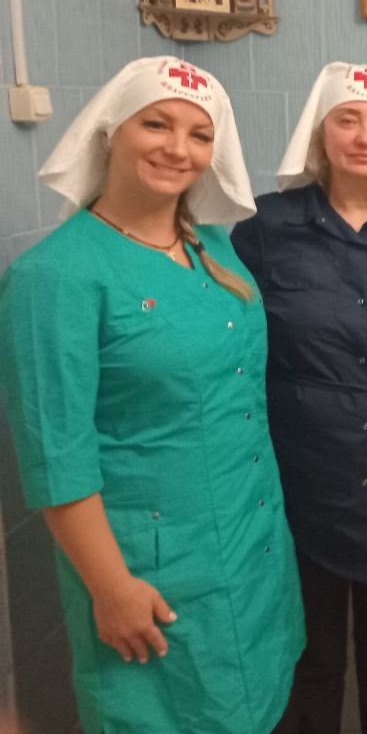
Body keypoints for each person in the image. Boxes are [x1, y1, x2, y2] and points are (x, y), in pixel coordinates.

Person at [0, 56, 304, 733]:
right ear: (111, 131)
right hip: (154, 574)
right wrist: (110, 588)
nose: (178, 148)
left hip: (251, 549)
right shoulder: (54, 278)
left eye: (200, 134)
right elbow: (57, 456)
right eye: (157, 124)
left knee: (259, 706)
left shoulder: (212, 247)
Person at [230, 63, 367, 734]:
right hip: (298, 480)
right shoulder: (263, 227)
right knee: (306, 660)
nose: (366, 137)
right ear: (319, 134)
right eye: (347, 120)